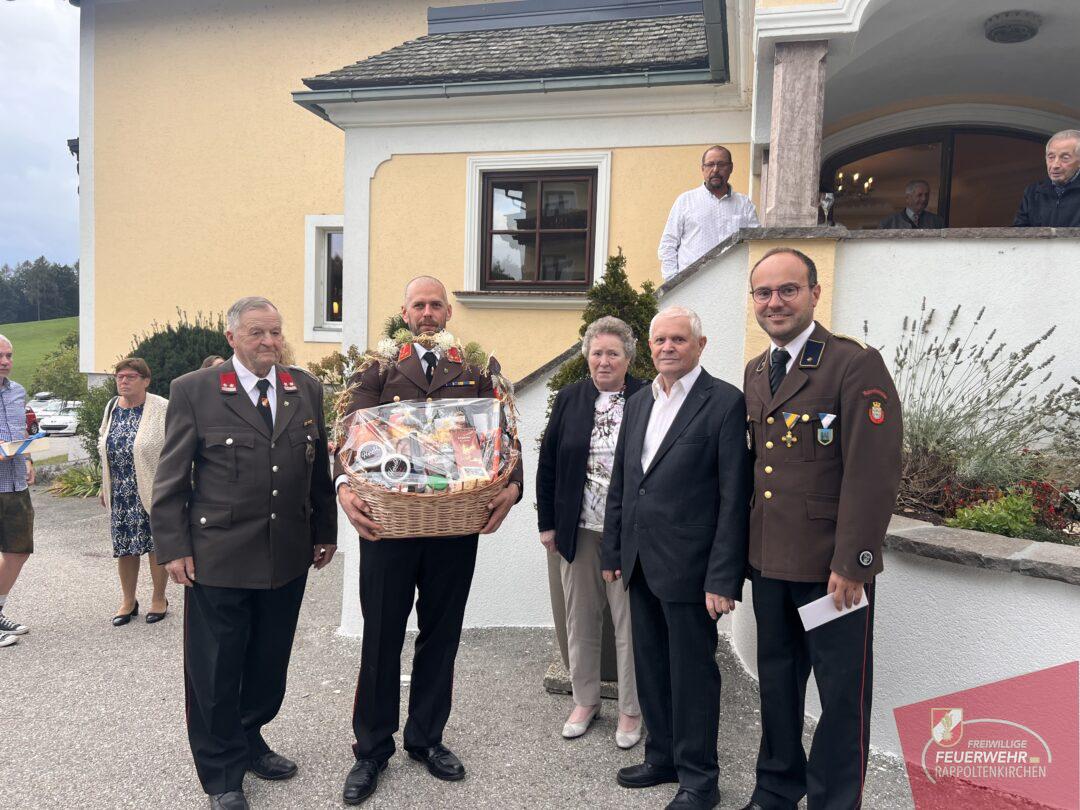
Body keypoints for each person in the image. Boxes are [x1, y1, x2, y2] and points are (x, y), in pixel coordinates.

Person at [335, 276, 523, 806]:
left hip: (452, 526)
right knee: (381, 636)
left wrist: (512, 488)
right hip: (388, 527)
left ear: (448, 312)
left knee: (442, 635)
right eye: (418, 304)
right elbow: (344, 434)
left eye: (436, 304)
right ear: (404, 312)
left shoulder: (478, 366)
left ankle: (426, 738)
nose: (427, 312)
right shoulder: (376, 368)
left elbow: (508, 433)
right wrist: (344, 486)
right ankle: (371, 749)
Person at [151, 297, 337, 810]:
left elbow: (316, 469)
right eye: (257, 333)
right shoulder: (195, 390)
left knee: (268, 662)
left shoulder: (304, 388)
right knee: (215, 669)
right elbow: (171, 478)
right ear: (232, 337)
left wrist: (325, 531)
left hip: (287, 553)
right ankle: (221, 775)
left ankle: (250, 737)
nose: (269, 342)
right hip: (220, 556)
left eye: (275, 332)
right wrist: (174, 547)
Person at [737, 247, 902, 810]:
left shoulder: (852, 364)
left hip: (830, 571)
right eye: (764, 292)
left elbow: (872, 472)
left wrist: (853, 562)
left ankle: (834, 800)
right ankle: (777, 787)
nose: (775, 302)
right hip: (770, 564)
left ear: (814, 293)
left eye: (788, 290)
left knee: (840, 696)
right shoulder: (756, 371)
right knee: (777, 684)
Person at [601, 307, 752, 810]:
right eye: (660, 340)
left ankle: (700, 779)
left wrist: (723, 577)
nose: (668, 347)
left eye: (679, 339)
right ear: (650, 347)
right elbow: (625, 482)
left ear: (700, 345)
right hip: (640, 561)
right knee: (650, 667)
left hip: (692, 568)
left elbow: (734, 497)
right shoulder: (638, 401)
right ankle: (662, 756)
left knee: (692, 676)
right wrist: (614, 549)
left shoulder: (724, 402)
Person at [536, 316, 646, 748]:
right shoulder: (570, 398)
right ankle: (585, 701)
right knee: (579, 618)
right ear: (587, 356)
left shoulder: (647, 397)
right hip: (578, 530)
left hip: (629, 533)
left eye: (613, 353)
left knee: (630, 623)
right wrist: (547, 523)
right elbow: (548, 462)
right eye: (597, 353)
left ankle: (631, 709)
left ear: (628, 358)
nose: (604, 361)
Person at [97, 357, 169, 625]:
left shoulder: (161, 407)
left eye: (130, 377)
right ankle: (128, 600)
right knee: (124, 547)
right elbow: (103, 443)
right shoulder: (112, 407)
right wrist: (104, 485)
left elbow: (175, 448)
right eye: (120, 377)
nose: (123, 381)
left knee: (155, 545)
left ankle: (159, 598)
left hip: (152, 487)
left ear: (145, 381)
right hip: (120, 490)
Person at [658, 145, 760, 281]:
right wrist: (673, 281)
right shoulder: (685, 201)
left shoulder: (744, 204)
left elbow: (755, 245)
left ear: (731, 168)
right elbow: (668, 244)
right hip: (693, 283)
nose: (715, 169)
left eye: (721, 164)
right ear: (702, 169)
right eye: (710, 164)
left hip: (733, 282)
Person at [0, 334, 34, 648]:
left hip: (15, 484)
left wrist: (29, 457)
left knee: (19, 550)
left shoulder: (18, 391)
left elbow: (21, 430)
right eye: (0, 356)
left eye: (9, 355)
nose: (5, 361)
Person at [1014, 129, 1080, 227]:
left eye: (1065, 158)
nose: (1055, 165)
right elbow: (1019, 231)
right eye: (1051, 157)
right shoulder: (1033, 192)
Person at [878, 180, 944, 229]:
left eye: (926, 195)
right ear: (908, 198)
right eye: (919, 195)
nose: (924, 199)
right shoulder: (888, 223)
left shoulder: (937, 222)